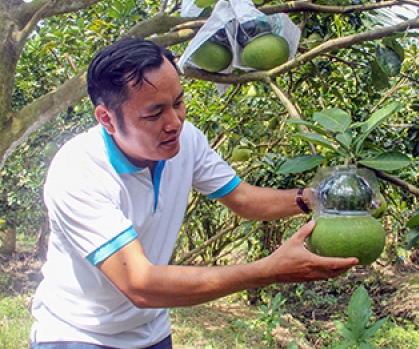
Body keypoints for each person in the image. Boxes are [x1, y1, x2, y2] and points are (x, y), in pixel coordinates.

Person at [29, 37, 358, 348]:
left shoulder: (185, 141)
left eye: (179, 102)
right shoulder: (80, 171)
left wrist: (316, 198)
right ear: (107, 119)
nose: (175, 122)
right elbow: (139, 283)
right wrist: (268, 271)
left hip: (150, 330)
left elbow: (242, 199)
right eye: (154, 113)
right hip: (79, 332)